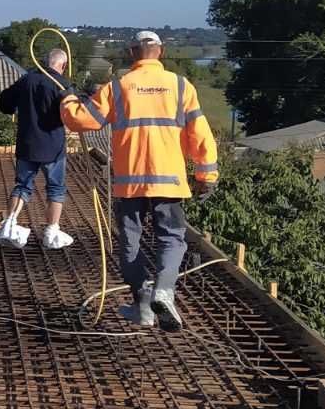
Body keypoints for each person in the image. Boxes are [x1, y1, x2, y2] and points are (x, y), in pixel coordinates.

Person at [59, 30, 218, 330]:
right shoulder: (181, 86)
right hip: (168, 182)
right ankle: (163, 291)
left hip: (130, 184)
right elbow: (201, 135)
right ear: (161, 51)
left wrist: (67, 97)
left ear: (132, 53)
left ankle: (143, 304)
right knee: (172, 239)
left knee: (130, 245)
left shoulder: (118, 87)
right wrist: (206, 175)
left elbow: (81, 120)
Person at [0, 47, 75, 250]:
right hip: (53, 147)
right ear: (62, 65)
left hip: (28, 144)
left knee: (22, 185)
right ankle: (51, 232)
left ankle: (10, 225)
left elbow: (4, 103)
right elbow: (76, 112)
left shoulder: (26, 80)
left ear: (45, 63)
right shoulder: (61, 84)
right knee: (56, 188)